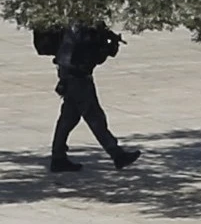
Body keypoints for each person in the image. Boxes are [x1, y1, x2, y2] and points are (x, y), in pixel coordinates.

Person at [48, 24, 139, 173]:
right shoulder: (82, 29)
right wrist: (106, 43)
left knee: (68, 118)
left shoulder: (79, 27)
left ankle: (58, 158)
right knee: (94, 116)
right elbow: (92, 55)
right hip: (78, 78)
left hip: (71, 76)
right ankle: (117, 154)